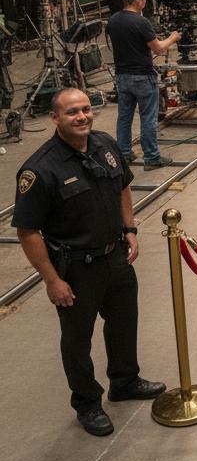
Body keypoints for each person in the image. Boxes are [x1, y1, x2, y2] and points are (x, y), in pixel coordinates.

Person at [12, 88, 166, 436]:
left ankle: (124, 381)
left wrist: (129, 229)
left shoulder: (104, 144)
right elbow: (28, 232)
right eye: (72, 112)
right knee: (77, 339)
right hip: (76, 268)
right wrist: (52, 280)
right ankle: (87, 403)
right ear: (55, 118)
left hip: (116, 256)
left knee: (124, 322)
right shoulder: (40, 169)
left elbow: (123, 186)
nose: (82, 116)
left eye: (85, 109)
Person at [106, 0, 180, 170]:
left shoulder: (113, 20)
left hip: (122, 76)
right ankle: (152, 157)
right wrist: (172, 38)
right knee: (148, 117)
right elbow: (159, 49)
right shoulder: (141, 22)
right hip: (142, 77)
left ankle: (124, 154)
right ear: (138, 0)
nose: (145, 1)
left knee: (124, 117)